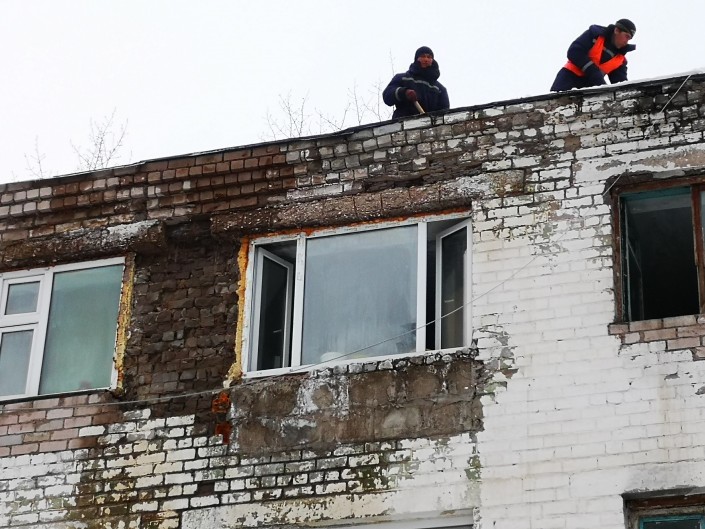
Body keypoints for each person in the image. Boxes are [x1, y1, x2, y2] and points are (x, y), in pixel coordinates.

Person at [550, 19, 636, 92]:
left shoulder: (620, 60)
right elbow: (574, 51)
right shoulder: (595, 35)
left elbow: (620, 85)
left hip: (589, 91)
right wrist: (594, 73)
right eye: (626, 36)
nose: (627, 41)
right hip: (568, 80)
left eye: (629, 39)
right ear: (616, 30)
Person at [383, 46, 450, 118]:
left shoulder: (439, 88)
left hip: (429, 123)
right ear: (417, 59)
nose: (426, 59)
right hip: (403, 122)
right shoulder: (403, 78)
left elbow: (444, 113)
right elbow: (387, 95)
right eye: (423, 56)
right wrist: (404, 92)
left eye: (429, 57)